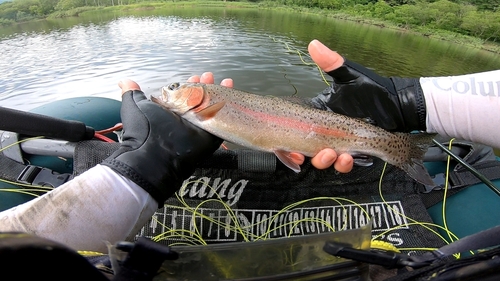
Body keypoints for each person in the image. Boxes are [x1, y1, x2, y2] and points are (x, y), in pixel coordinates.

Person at [0, 39, 499, 255]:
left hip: (314, 133)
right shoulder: (205, 103)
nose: (170, 94)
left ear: (196, 96)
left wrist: (412, 103)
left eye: (176, 90)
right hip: (297, 134)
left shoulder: (207, 101)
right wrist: (421, 103)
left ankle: (397, 148)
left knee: (345, 145)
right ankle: (396, 145)